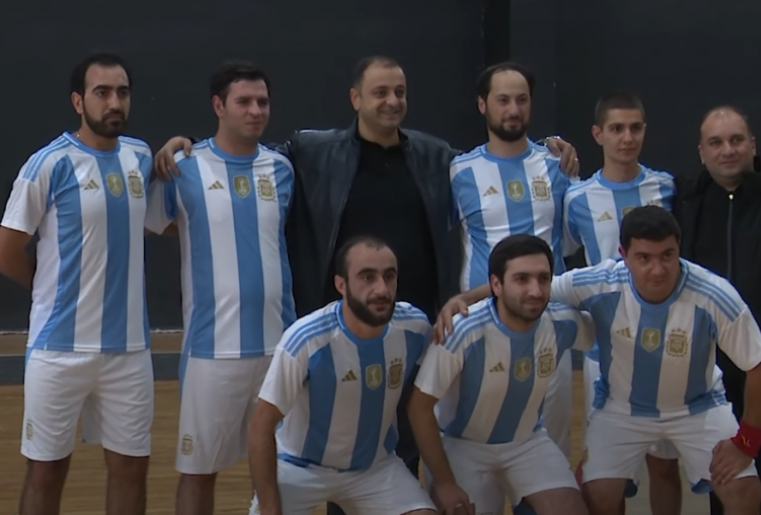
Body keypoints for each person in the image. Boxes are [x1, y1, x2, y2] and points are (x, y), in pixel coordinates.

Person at [152, 55, 581, 515]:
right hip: (342, 329)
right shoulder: (312, 153)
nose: (392, 101)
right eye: (380, 92)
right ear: (355, 98)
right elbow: (241, 149)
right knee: (338, 441)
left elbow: (499, 156)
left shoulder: (436, 157)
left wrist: (547, 148)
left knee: (403, 440)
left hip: (415, 324)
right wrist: (188, 146)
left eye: (399, 92)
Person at [435, 205, 761, 515]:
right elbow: (530, 285)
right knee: (598, 494)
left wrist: (746, 442)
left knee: (744, 490)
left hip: (698, 407)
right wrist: (463, 299)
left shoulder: (714, 294)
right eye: (644, 257)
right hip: (620, 409)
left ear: (679, 249)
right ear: (623, 255)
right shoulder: (599, 282)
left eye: (667, 255)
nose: (657, 269)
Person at [0, 53, 154, 515]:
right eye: (101, 92)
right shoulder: (48, 164)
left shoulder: (141, 157)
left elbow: (156, 219)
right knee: (46, 472)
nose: (114, 102)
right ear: (78, 101)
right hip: (58, 351)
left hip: (129, 351)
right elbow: (7, 249)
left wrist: (178, 147)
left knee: (131, 469)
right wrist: (50, 291)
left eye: (122, 92)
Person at [144, 60, 295, 515]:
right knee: (198, 471)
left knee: (281, 469)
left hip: (278, 348)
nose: (256, 111)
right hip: (211, 351)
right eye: (243, 101)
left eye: (262, 102)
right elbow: (154, 224)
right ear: (218, 106)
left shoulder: (282, 169)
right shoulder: (183, 167)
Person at [246, 236, 438, 515]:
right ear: (341, 285)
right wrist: (269, 506)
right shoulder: (305, 340)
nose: (381, 289)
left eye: (389, 276)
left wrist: (462, 301)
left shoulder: (416, 327)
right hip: (298, 468)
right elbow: (260, 427)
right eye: (367, 277)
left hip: (375, 468)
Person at [407, 234, 593, 515]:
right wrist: (444, 482)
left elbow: (612, 331)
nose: (535, 290)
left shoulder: (563, 322)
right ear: (496, 284)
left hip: (527, 442)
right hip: (462, 447)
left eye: (543, 279)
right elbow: (419, 409)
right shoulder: (461, 331)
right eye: (522, 279)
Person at [450, 61, 577, 468]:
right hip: (480, 325)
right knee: (478, 450)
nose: (513, 109)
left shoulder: (558, 166)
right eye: (503, 100)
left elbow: (573, 239)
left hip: (547, 325)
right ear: (482, 104)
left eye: (521, 100)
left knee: (550, 453)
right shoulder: (459, 171)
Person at [562, 91, 681, 515]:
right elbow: (568, 255)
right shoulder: (577, 198)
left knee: (663, 465)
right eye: (616, 129)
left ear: (644, 131)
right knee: (607, 475)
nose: (626, 138)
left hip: (663, 345)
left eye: (634, 128)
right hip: (606, 350)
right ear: (598, 134)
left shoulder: (665, 187)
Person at [675, 105, 761, 515]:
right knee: (728, 477)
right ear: (702, 152)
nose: (728, 150)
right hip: (713, 371)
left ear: (752, 145)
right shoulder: (687, 205)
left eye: (736, 140)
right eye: (716, 143)